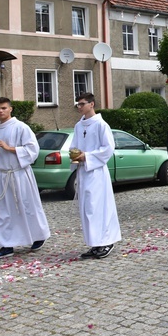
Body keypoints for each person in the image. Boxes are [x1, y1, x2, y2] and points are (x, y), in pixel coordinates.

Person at [0, 97, 51, 260]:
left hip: (19, 174)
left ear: (10, 109)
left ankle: (39, 235)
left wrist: (10, 148)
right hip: (3, 177)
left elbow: (33, 150)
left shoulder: (21, 128)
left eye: (3, 108)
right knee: (3, 212)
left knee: (27, 207)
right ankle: (6, 245)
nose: (0, 111)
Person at [70, 92, 121, 259]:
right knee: (87, 209)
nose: (79, 107)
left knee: (98, 207)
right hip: (83, 172)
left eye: (82, 104)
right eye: (78, 104)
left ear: (91, 104)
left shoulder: (101, 125)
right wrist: (75, 156)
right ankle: (94, 243)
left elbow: (108, 148)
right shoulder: (79, 126)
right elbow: (74, 146)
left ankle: (106, 241)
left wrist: (88, 156)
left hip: (97, 172)